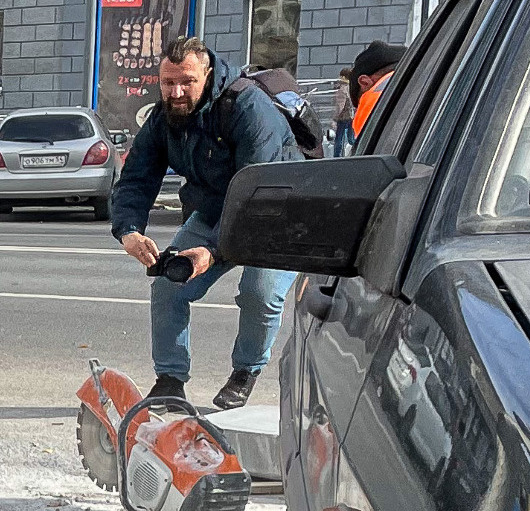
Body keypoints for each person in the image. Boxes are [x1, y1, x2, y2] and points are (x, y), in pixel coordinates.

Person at [111, 35, 296, 410]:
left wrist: (212, 251)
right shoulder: (165, 117)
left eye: (187, 82)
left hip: (275, 211)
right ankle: (169, 380)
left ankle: (245, 370)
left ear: (207, 74)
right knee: (168, 285)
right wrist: (128, 230)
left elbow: (254, 192)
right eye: (167, 83)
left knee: (259, 293)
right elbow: (136, 178)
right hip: (214, 207)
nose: (176, 92)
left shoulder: (248, 108)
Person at [342, 40, 405, 149]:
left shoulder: (375, 97)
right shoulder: (426, 79)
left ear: (364, 82)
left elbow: (368, 153)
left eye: (359, 104)